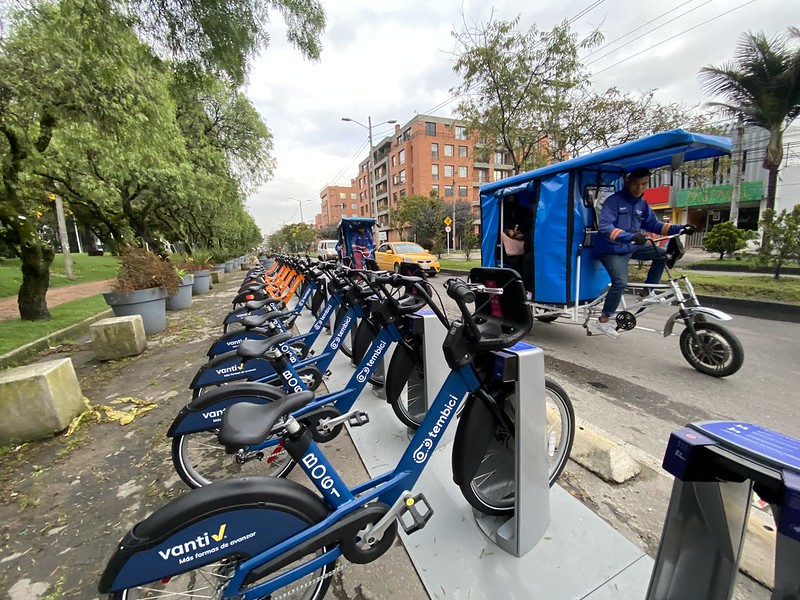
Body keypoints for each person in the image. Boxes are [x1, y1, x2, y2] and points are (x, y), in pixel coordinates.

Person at [592, 168, 695, 338]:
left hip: (631, 247)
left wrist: (681, 228)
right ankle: (603, 319)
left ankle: (647, 292)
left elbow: (654, 224)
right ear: (628, 183)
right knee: (620, 283)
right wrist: (630, 237)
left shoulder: (642, 204)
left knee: (662, 254)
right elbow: (606, 227)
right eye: (635, 183)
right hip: (611, 249)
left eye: (643, 184)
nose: (639, 187)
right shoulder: (614, 201)